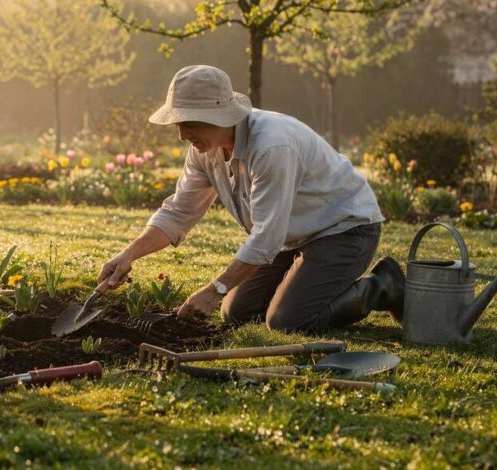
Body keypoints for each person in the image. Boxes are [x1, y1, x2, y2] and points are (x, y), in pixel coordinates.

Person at [97, 65, 404, 332]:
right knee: (236, 313)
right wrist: (128, 255)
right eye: (179, 125)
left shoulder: (271, 146)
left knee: (286, 322)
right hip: (290, 237)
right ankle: (298, 288)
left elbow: (266, 238)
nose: (182, 135)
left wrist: (213, 290)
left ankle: (382, 286)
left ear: (218, 116)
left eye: (188, 124)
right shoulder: (205, 150)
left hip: (344, 230)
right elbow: (178, 213)